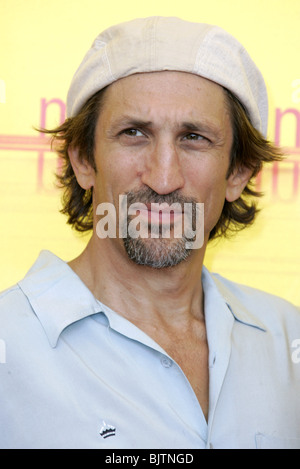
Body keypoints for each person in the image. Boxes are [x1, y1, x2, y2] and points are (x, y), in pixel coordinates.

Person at [0, 16, 299, 450]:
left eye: (193, 137)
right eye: (134, 133)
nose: (163, 177)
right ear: (84, 159)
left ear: (237, 171)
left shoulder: (288, 340)